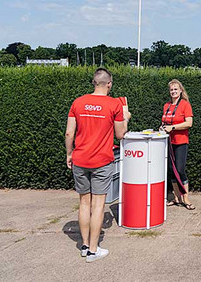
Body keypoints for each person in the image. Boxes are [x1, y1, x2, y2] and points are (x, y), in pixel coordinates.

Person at [65, 68, 131, 262]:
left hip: (80, 159)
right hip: (102, 161)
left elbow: (69, 133)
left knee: (84, 202)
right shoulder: (115, 105)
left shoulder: (78, 102)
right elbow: (120, 134)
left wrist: (69, 153)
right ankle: (94, 250)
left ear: (94, 82)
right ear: (109, 84)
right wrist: (126, 118)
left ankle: (85, 246)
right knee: (99, 204)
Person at [161, 79, 195, 210]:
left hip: (180, 142)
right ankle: (176, 198)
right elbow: (165, 122)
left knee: (180, 170)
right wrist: (163, 127)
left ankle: (185, 198)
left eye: (176, 89)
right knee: (171, 170)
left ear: (181, 90)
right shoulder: (166, 106)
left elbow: (189, 123)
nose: (173, 92)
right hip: (168, 142)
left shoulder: (185, 105)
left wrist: (173, 127)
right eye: (171, 90)